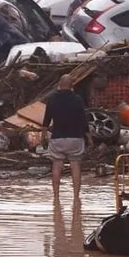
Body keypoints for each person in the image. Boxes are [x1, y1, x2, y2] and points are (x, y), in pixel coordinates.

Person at [42, 74, 90, 207]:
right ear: (72, 86)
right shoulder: (78, 99)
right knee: (75, 166)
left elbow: (46, 120)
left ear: (59, 84)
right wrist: (89, 137)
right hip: (75, 138)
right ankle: (76, 197)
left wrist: (43, 137)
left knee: (57, 166)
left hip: (57, 138)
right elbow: (83, 120)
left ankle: (56, 197)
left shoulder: (52, 99)